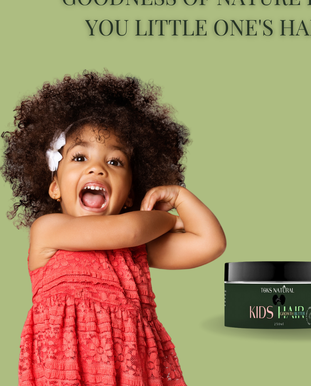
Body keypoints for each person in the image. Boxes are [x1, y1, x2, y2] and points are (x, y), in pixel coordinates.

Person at [1, 71, 226, 386]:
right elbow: (132, 230)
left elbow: (210, 243)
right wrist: (170, 219)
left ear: (130, 194)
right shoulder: (49, 231)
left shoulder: (133, 252)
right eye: (80, 157)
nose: (97, 168)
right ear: (54, 186)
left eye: (115, 162)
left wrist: (179, 195)